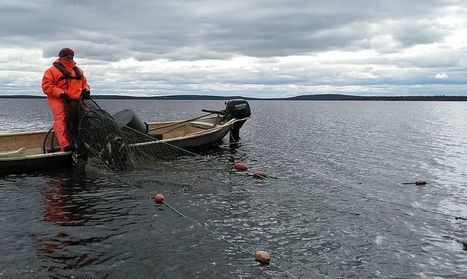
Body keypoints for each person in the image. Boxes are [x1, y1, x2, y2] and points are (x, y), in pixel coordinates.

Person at [41, 48, 91, 152]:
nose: (69, 58)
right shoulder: (51, 71)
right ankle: (66, 145)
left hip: (76, 99)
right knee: (61, 120)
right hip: (58, 99)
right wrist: (61, 94)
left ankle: (82, 143)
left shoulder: (78, 70)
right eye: (67, 57)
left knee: (83, 120)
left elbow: (84, 83)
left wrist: (86, 90)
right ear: (61, 57)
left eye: (71, 57)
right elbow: (47, 86)